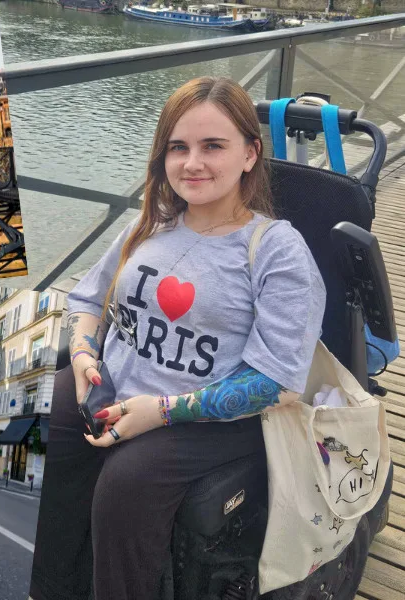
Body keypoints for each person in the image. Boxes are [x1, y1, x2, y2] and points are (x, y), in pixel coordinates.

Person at [29, 76, 327, 600]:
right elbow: (87, 301)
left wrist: (161, 411)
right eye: (178, 148)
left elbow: (276, 381)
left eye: (213, 146)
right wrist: (81, 356)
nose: (193, 163)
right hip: (119, 384)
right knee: (51, 403)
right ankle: (53, 584)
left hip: (210, 414)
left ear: (251, 154)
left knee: (129, 478)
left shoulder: (276, 249)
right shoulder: (152, 223)